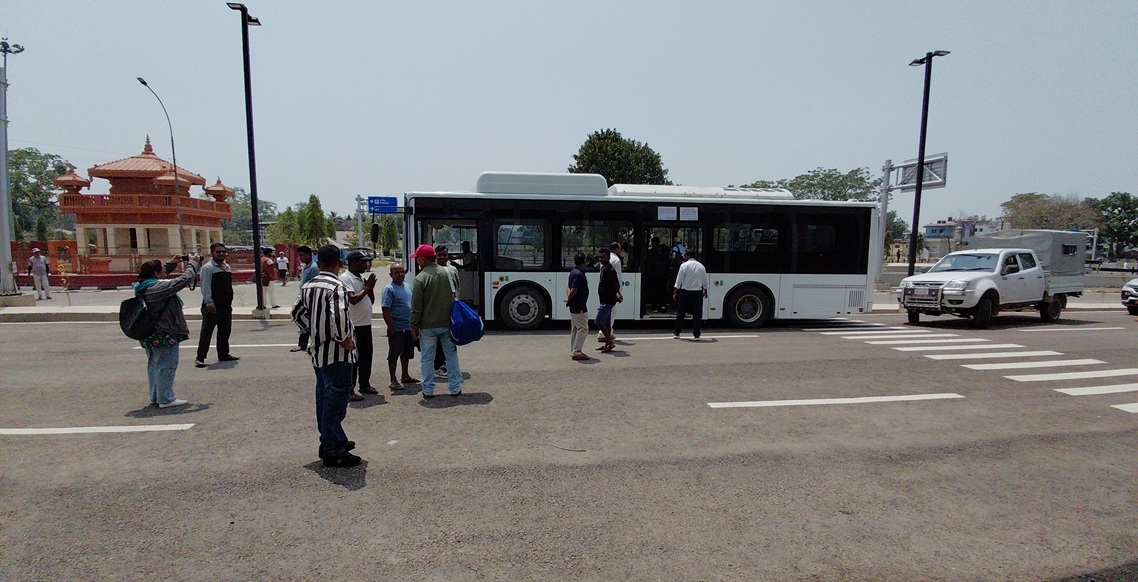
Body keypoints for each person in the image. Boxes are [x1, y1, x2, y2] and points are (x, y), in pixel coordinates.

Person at [299, 244, 360, 468]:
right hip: (337, 354)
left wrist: (313, 330)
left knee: (324, 399)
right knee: (336, 401)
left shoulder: (309, 286)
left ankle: (329, 440)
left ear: (319, 262)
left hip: (318, 352)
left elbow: (297, 313)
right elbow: (338, 316)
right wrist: (343, 338)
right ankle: (334, 450)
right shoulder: (337, 286)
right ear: (339, 263)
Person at [134, 254, 201, 408]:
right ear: (156, 274)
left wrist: (173, 263)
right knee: (166, 365)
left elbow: (161, 277)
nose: (165, 272)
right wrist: (192, 263)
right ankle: (166, 398)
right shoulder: (156, 288)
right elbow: (182, 281)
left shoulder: (142, 285)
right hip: (164, 331)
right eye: (163, 270)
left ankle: (156, 396)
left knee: (154, 365)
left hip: (149, 332)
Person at [410, 244, 462, 399]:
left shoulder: (420, 278)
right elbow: (456, 295)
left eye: (417, 259)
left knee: (427, 358)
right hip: (448, 324)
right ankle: (455, 388)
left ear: (422, 259)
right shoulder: (449, 273)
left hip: (427, 326)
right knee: (451, 356)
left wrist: (413, 326)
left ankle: (428, 390)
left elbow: (416, 307)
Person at [341, 250, 379, 400]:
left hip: (365, 323)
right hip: (353, 325)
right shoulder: (346, 278)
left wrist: (369, 289)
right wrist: (367, 288)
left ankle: (364, 384)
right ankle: (350, 390)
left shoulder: (361, 278)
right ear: (354, 262)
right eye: (363, 262)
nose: (366, 264)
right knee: (353, 359)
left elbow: (370, 300)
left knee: (366, 356)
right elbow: (353, 299)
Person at [196, 243, 239, 368]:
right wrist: (209, 302)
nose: (221, 254)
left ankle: (223, 354)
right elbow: (205, 286)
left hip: (226, 305)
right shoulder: (208, 268)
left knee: (225, 331)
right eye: (218, 252)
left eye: (223, 252)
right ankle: (200, 357)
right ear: (212, 253)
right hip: (212, 306)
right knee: (207, 331)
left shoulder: (227, 267)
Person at [381, 263, 419, 391]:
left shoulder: (408, 286)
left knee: (407, 353)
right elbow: (385, 309)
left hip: (408, 327)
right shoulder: (389, 289)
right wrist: (390, 326)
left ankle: (405, 375)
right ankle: (393, 379)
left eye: (402, 272)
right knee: (394, 354)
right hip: (396, 327)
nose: (400, 275)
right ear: (391, 274)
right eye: (397, 272)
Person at [432, 245, 460, 380]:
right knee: (437, 341)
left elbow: (457, 288)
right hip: (436, 312)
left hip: (451, 310)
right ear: (435, 256)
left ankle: (446, 365)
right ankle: (437, 365)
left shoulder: (453, 269)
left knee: (450, 339)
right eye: (439, 255)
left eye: (444, 254)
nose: (442, 257)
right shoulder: (432, 271)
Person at [673, 249, 709, 340]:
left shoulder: (684, 266)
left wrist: (675, 292)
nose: (683, 257)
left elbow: (679, 280)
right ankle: (696, 334)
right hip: (697, 293)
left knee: (681, 313)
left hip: (685, 292)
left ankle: (677, 332)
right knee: (697, 314)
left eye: (684, 255)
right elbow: (705, 280)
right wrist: (705, 290)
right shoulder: (701, 266)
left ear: (688, 256)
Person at [291, 245, 319, 353]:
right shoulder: (306, 267)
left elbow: (316, 283)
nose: (300, 258)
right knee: (304, 317)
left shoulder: (314, 267)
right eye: (299, 255)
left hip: (308, 296)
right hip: (303, 294)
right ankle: (303, 343)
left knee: (295, 314)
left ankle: (308, 329)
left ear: (309, 254)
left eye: (302, 255)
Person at [595, 247, 621, 353]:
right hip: (604, 299)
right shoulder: (603, 268)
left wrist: (618, 293)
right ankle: (607, 344)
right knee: (606, 323)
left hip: (608, 300)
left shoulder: (610, 270)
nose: (601, 259)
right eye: (600, 257)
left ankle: (609, 341)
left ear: (609, 257)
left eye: (603, 257)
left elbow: (616, 284)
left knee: (598, 322)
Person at [566, 253, 590, 360]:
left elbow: (568, 288)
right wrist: (569, 299)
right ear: (584, 262)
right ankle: (577, 351)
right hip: (579, 306)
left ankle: (574, 349)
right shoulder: (578, 274)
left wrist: (568, 300)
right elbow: (573, 290)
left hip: (574, 305)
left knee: (575, 328)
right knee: (583, 328)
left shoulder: (573, 272)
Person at [646, 236, 671, 312]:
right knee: (662, 291)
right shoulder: (665, 251)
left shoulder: (651, 252)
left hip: (653, 275)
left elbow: (648, 263)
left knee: (654, 291)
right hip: (663, 275)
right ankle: (663, 305)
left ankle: (655, 307)